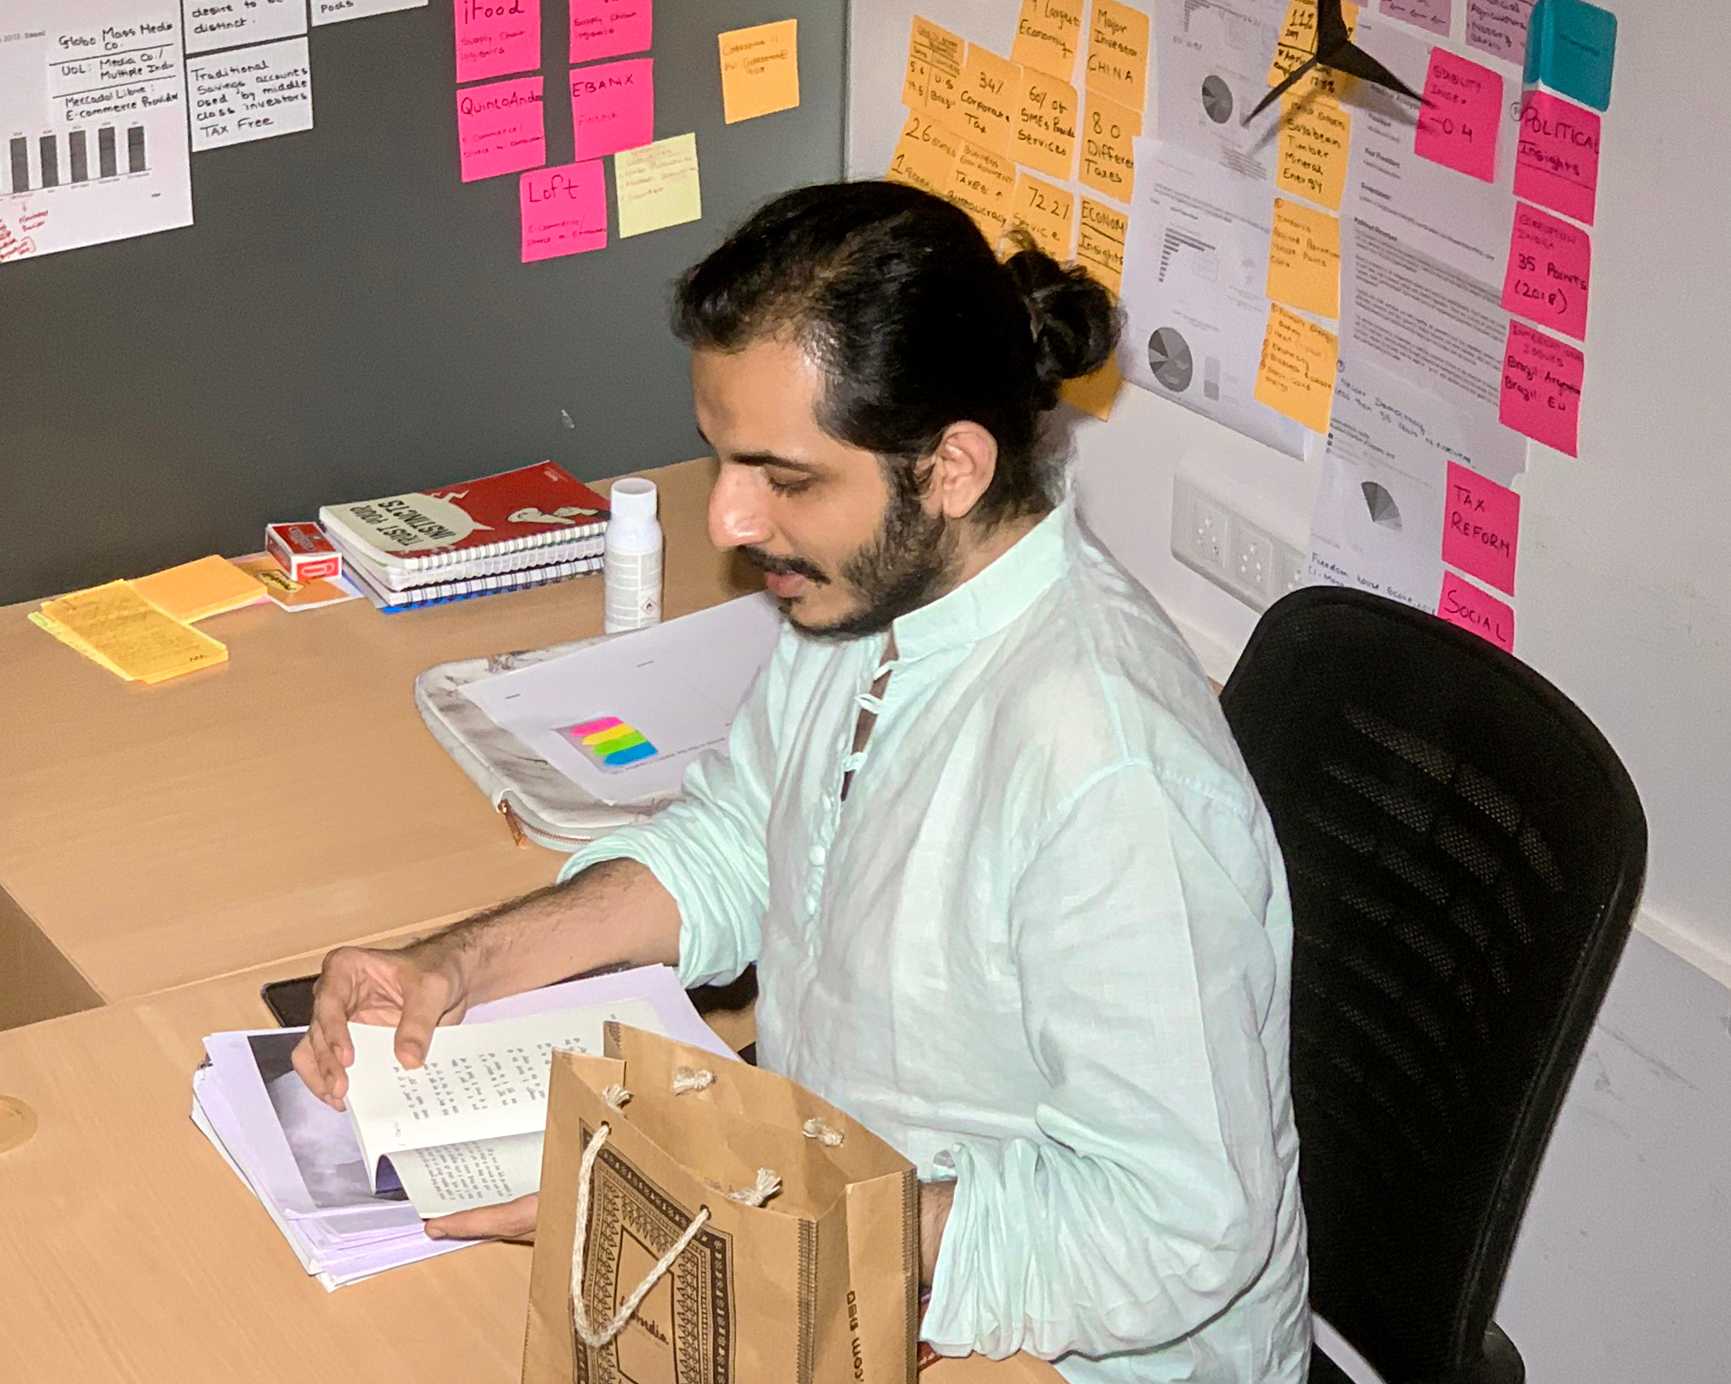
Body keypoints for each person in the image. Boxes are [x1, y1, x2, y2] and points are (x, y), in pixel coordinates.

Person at [293, 181, 1309, 1382]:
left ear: (953, 469)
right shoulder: (868, 603)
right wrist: (457, 965)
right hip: (838, 1237)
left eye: (783, 476)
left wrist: (743, 1214)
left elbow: (1178, 1228)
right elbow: (735, 841)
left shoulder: (1108, 777)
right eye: (725, 460)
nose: (729, 517)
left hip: (1054, 1341)